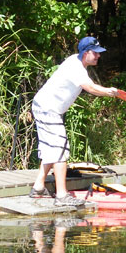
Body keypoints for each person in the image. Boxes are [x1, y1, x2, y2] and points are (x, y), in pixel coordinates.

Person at [30, 36, 118, 207]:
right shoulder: (75, 68)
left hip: (44, 107)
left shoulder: (75, 62)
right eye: (96, 53)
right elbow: (91, 88)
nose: (99, 56)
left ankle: (39, 187)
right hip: (48, 109)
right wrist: (109, 92)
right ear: (86, 53)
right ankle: (62, 195)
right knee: (60, 149)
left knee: (52, 147)